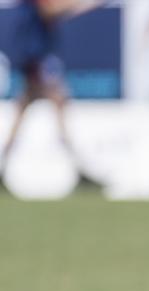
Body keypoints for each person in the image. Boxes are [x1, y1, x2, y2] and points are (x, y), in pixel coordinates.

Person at [0, 0, 101, 175]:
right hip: (35, 56)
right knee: (58, 100)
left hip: (35, 54)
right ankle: (77, 166)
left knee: (27, 109)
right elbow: (49, 10)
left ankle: (4, 164)